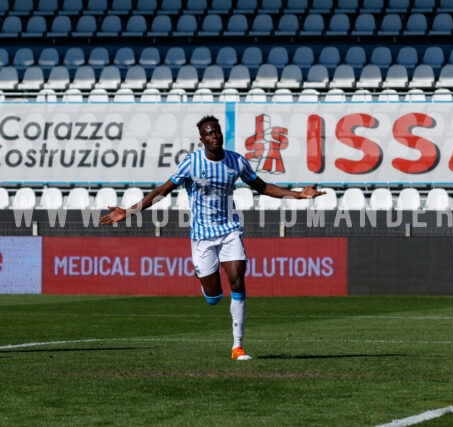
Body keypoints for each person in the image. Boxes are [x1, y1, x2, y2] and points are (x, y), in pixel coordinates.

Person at [99, 115, 325, 361]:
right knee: (214, 297)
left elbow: (263, 187)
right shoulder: (191, 163)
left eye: (216, 131)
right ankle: (208, 283)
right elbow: (161, 192)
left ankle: (237, 346)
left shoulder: (236, 161)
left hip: (229, 230)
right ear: (202, 139)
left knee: (238, 280)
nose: (214, 136)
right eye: (209, 133)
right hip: (202, 237)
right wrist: (130, 211)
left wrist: (298, 195)